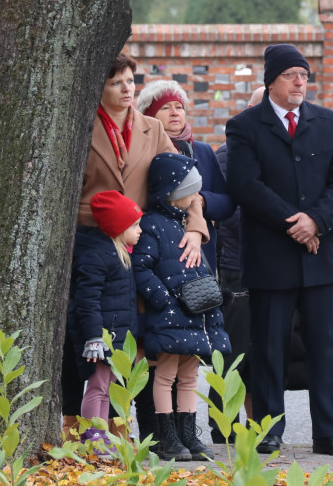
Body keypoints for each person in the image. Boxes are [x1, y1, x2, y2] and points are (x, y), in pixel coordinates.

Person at [62, 53, 210, 441]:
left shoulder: (152, 129)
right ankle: (80, 426)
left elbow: (187, 182)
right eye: (117, 83)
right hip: (94, 242)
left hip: (143, 244)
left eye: (130, 81)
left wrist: (195, 229)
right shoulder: (80, 127)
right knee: (91, 337)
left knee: (141, 340)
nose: (127, 89)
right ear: (100, 87)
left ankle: (142, 431)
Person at [225, 44, 333, 456]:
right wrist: (295, 224)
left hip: (322, 255)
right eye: (291, 75)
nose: (300, 82)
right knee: (269, 347)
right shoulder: (244, 126)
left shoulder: (328, 121)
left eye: (304, 74)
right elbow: (246, 186)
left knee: (322, 347)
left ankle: (328, 433)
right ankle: (268, 429)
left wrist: (315, 221)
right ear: (271, 81)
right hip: (271, 256)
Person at [133, 152, 231, 461]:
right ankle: (167, 436)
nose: (195, 196)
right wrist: (164, 301)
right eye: (190, 190)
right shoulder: (153, 226)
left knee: (190, 376)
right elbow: (141, 268)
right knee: (164, 375)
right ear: (173, 191)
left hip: (197, 315)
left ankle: (188, 434)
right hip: (172, 315)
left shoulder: (187, 225)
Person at [208, 86, 265, 442]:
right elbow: (227, 213)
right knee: (230, 354)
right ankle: (223, 426)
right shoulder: (225, 156)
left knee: (262, 354)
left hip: (271, 267)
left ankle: (259, 426)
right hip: (236, 266)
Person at [67, 190, 142, 443]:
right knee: (97, 388)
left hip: (115, 336)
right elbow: (87, 300)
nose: (139, 230)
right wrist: (93, 337)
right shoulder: (98, 256)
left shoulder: (118, 253)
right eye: (134, 224)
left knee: (108, 389)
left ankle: (103, 437)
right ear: (118, 227)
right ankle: (93, 438)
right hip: (102, 337)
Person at [136, 80, 234, 271]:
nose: (175, 112)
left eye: (179, 107)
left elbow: (227, 203)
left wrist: (202, 200)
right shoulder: (141, 150)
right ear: (149, 115)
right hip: (155, 250)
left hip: (200, 251)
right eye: (165, 107)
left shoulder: (203, 150)